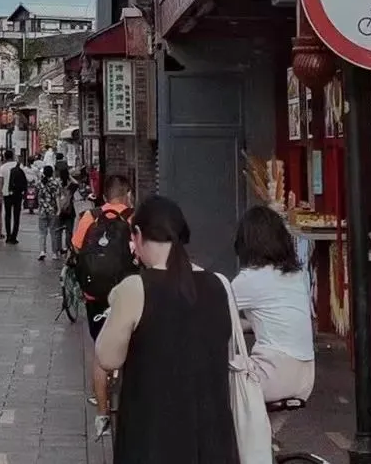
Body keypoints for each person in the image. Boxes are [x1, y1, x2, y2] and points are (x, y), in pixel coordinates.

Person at [96, 196, 238, 463]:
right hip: (212, 442)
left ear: (138, 235)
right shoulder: (218, 285)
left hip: (153, 441)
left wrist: (116, 306)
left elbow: (107, 358)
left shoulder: (135, 288)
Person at [71, 174, 135, 438]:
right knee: (130, 347)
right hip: (126, 295)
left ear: (105, 195)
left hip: (95, 297)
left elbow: (76, 248)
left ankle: (102, 413)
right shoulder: (133, 218)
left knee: (101, 352)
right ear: (127, 194)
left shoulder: (90, 216)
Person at [232, 205, 315, 402]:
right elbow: (277, 319)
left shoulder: (248, 280)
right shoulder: (298, 275)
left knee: (211, 375)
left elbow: (213, 313)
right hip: (305, 379)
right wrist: (248, 324)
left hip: (272, 375)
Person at [35, 164, 60, 261]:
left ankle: (42, 251)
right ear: (52, 173)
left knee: (42, 232)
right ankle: (54, 253)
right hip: (52, 210)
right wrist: (59, 209)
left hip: (42, 210)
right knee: (53, 232)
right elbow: (57, 197)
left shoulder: (39, 183)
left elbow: (37, 195)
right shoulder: (55, 183)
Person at [54, 166, 77, 257]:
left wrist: (59, 209)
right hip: (69, 211)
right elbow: (76, 183)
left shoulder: (57, 184)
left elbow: (57, 197)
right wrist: (69, 176)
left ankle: (58, 250)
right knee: (69, 231)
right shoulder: (70, 186)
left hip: (59, 211)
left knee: (58, 231)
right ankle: (68, 248)